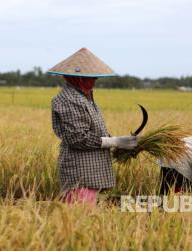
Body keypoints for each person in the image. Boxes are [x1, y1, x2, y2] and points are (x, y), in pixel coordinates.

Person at [49, 48, 138, 206]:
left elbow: (96, 132)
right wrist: (115, 142)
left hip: (92, 172)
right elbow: (78, 139)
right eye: (91, 77)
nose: (94, 80)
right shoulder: (69, 99)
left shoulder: (85, 97)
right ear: (79, 78)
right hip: (80, 174)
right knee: (80, 221)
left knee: (88, 222)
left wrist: (120, 144)